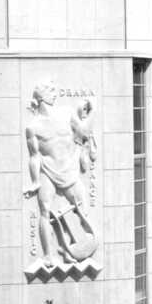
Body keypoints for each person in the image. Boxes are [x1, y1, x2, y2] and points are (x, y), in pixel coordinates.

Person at [23, 82, 99, 266]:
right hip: (47, 172)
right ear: (41, 97)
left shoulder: (66, 113)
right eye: (50, 91)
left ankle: (72, 248)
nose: (54, 93)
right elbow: (34, 157)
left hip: (69, 171)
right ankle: (49, 255)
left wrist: (93, 109)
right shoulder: (33, 127)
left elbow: (84, 132)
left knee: (82, 209)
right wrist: (34, 182)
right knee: (45, 212)